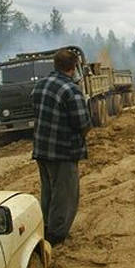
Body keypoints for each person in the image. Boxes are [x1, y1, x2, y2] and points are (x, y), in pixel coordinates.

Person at [31, 48, 92, 245]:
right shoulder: (71, 90)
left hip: (41, 149)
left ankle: (45, 227)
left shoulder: (40, 85)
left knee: (48, 191)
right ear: (74, 67)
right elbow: (83, 123)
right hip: (64, 151)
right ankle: (56, 236)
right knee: (65, 195)